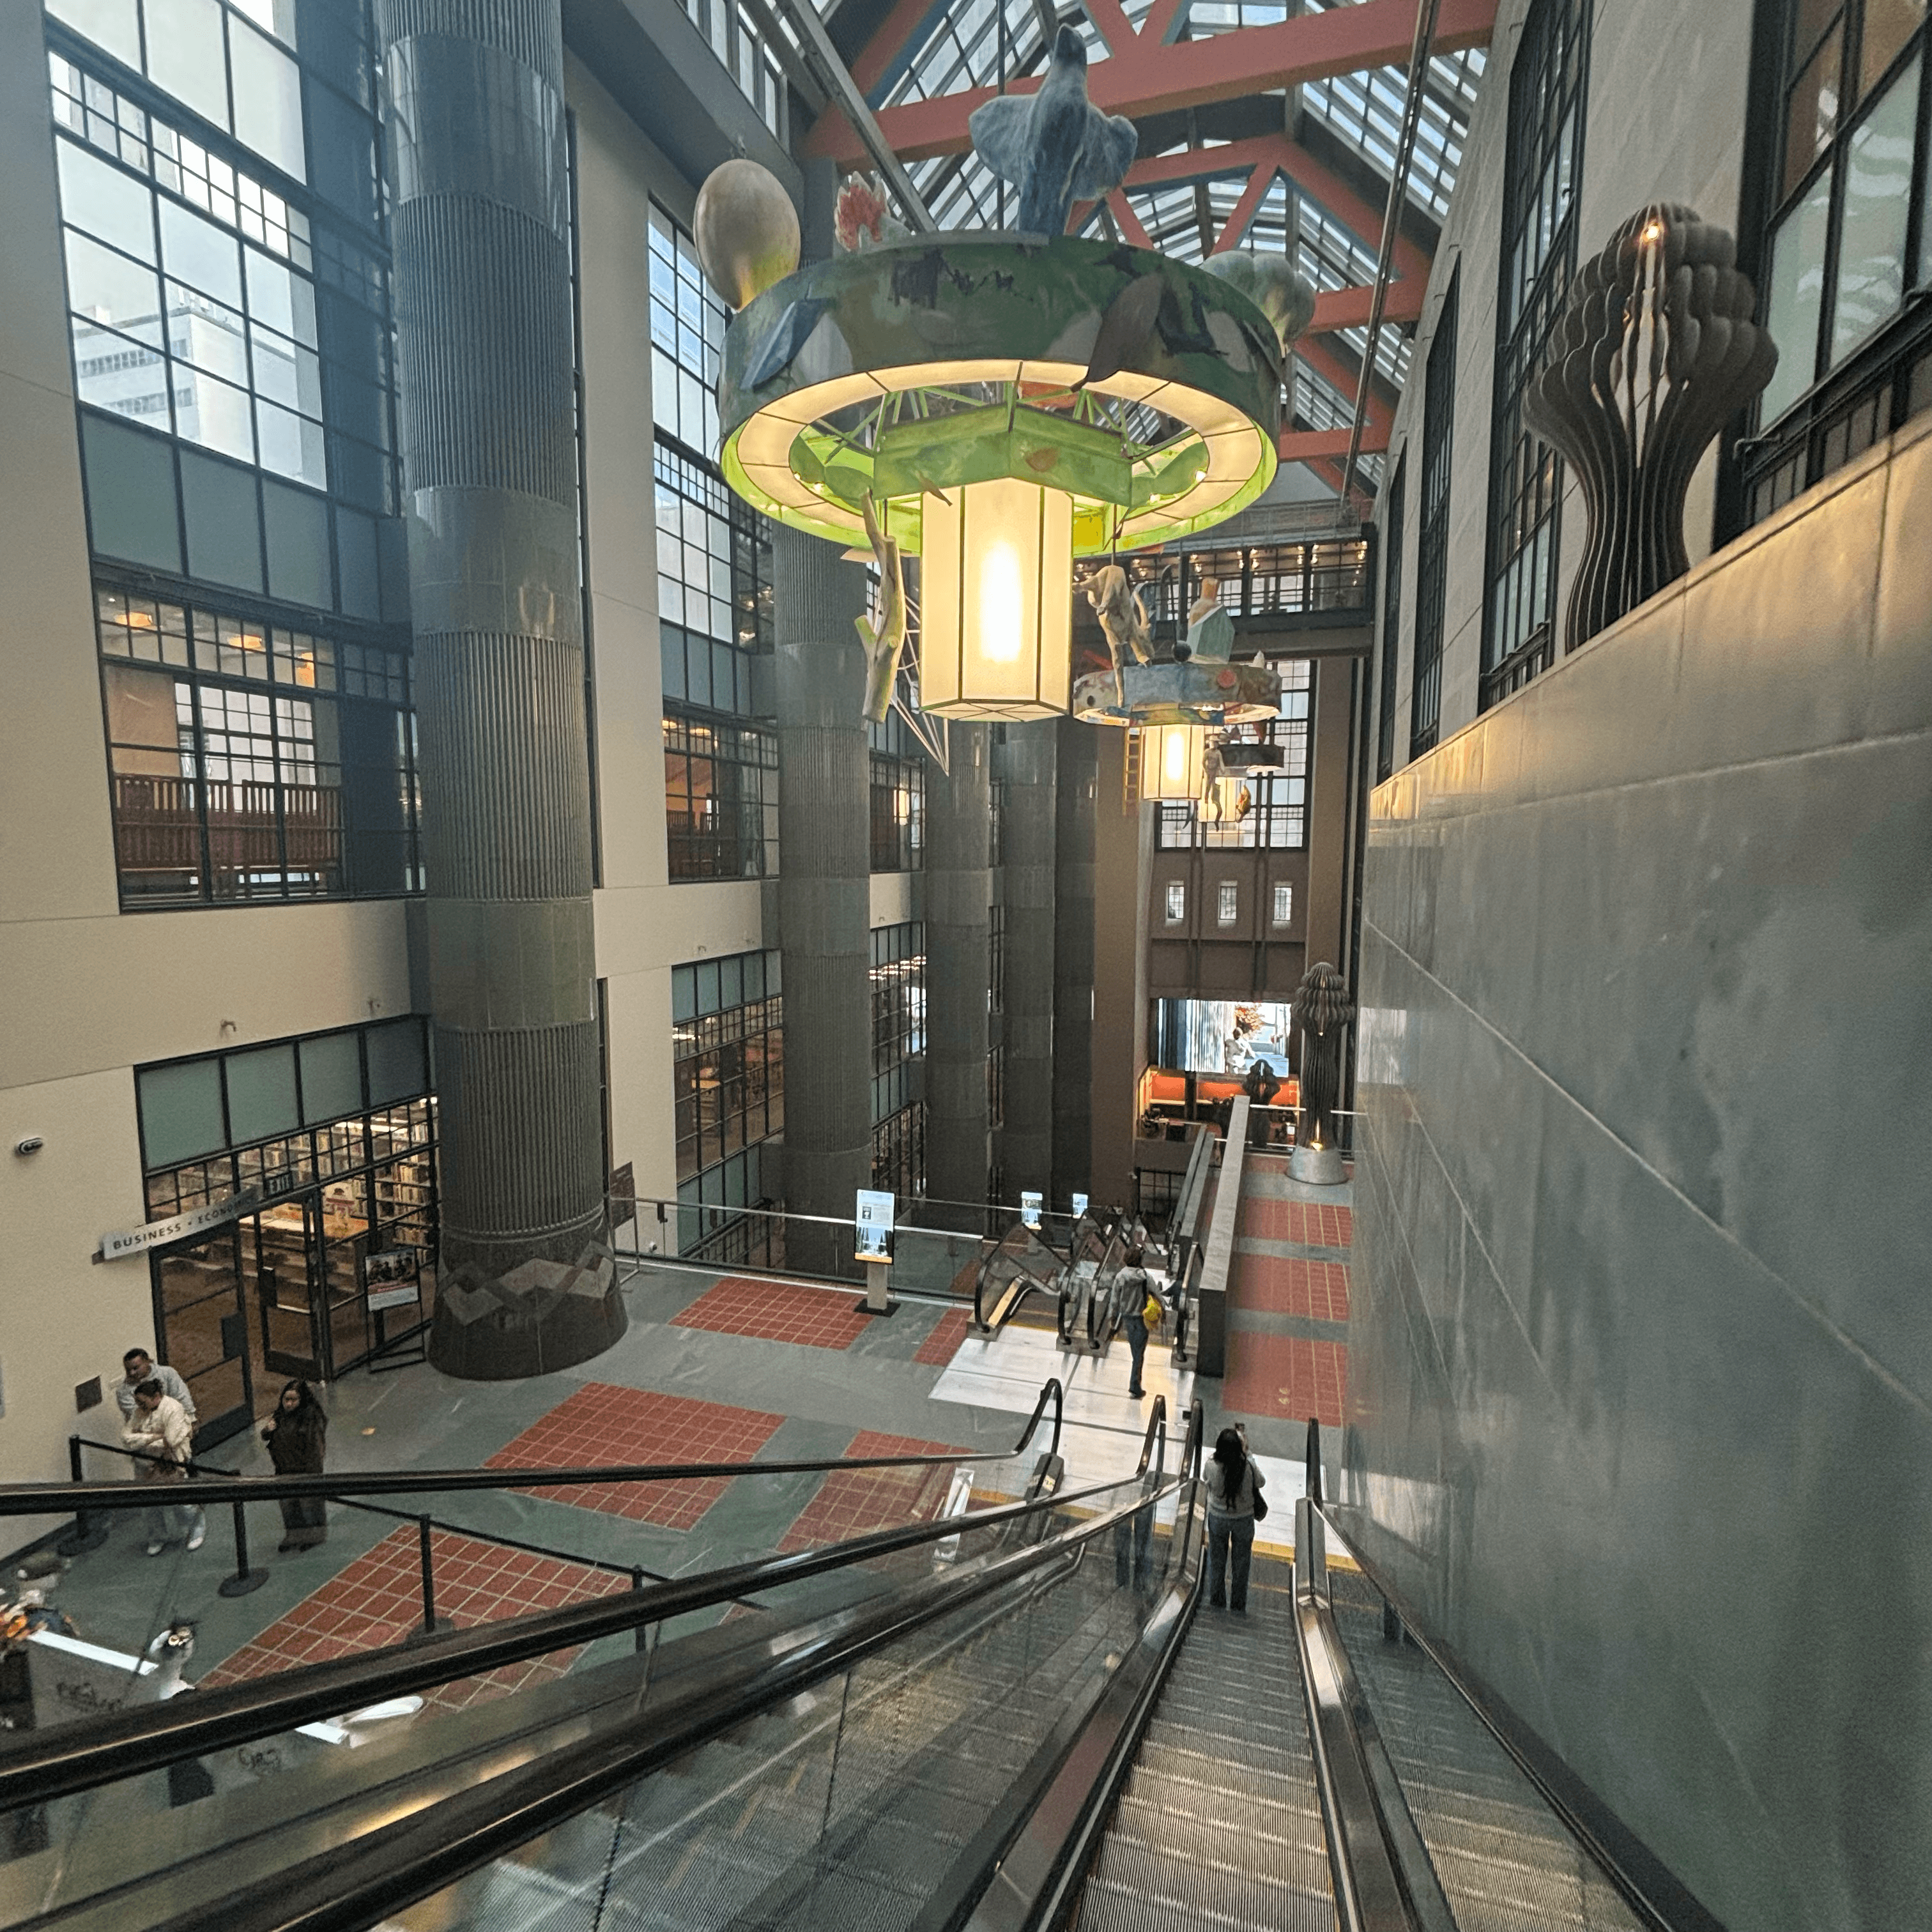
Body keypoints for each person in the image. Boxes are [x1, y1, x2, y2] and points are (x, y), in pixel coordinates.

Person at [123, 1379, 203, 1557]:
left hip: (172, 1463)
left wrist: (142, 1439)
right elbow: (127, 1438)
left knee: (183, 1503)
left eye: (142, 1402)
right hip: (145, 1466)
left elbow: (172, 1441)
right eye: (137, 1403)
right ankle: (157, 1536)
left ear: (156, 1398)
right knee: (150, 1505)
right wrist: (154, 1437)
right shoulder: (139, 1412)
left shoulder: (173, 1409)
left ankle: (196, 1528)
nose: (138, 1406)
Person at [261, 1380, 329, 1551]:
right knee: (288, 1505)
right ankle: (294, 1535)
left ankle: (315, 1534)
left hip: (305, 1471)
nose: (289, 1404)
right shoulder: (279, 1415)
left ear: (302, 1400)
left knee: (308, 1504)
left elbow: (315, 1450)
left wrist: (312, 1475)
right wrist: (267, 1430)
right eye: (286, 1399)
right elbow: (266, 1435)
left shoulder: (311, 1417)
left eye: (294, 1400)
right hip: (283, 1470)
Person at [1204, 1424, 1264, 1613]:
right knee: (1241, 1564)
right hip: (1243, 1520)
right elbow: (1261, 1482)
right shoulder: (1247, 1466)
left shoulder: (1211, 1465)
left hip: (1218, 1518)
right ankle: (1238, 1605)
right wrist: (1249, 1455)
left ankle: (1217, 1600)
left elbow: (1206, 1481)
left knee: (1217, 1561)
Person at [1113, 1245, 1161, 1400]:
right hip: (1141, 1318)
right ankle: (1135, 1385)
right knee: (1139, 1354)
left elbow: (1114, 1301)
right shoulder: (1145, 1277)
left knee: (1136, 1351)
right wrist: (1163, 1310)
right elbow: (1157, 1293)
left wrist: (1112, 1318)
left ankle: (1135, 1383)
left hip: (1127, 1317)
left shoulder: (1120, 1277)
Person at [112, 1349, 195, 1432]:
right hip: (148, 1434)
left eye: (135, 1368)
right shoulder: (123, 1391)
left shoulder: (167, 1373)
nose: (132, 1373)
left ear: (147, 1362)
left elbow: (182, 1396)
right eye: (128, 1370)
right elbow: (139, 1416)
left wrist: (191, 1420)